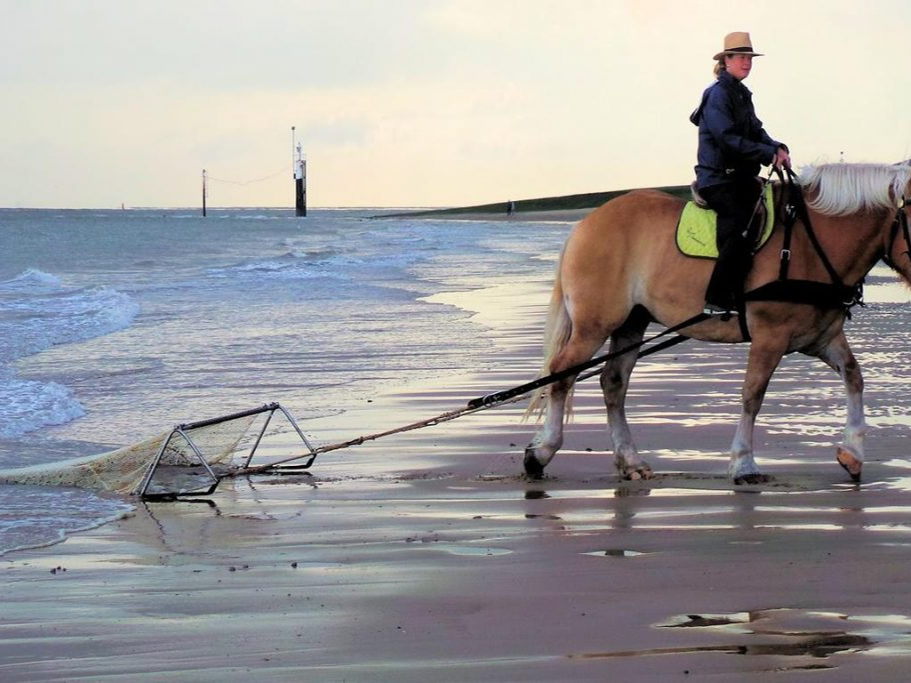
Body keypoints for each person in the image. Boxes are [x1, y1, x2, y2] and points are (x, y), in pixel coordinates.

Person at [691, 31, 790, 315]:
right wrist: (766, 154)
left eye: (749, 58)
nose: (747, 63)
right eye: (741, 58)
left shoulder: (740, 92)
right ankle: (717, 298)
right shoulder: (718, 94)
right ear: (727, 60)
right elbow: (727, 138)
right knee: (738, 226)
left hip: (740, 177)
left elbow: (756, 130)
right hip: (719, 179)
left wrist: (777, 147)